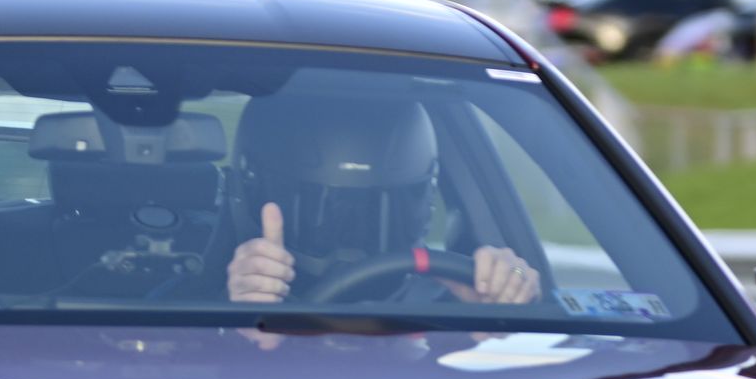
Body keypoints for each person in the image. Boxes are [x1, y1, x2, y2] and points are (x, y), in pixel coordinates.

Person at [222, 94, 540, 309]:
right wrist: (240, 315)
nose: (352, 252)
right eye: (329, 212)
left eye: (378, 213)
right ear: (253, 192)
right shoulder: (205, 301)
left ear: (423, 204)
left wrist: (507, 294)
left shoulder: (453, 298)